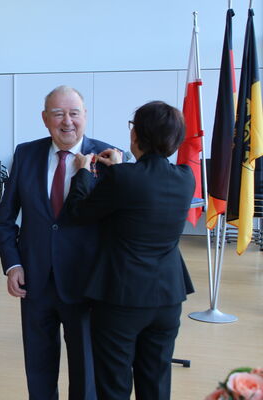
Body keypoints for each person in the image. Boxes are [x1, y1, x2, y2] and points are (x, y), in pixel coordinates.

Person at [66, 101, 195, 400]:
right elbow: (144, 187)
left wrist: (83, 172)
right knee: (156, 381)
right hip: (167, 296)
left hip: (121, 297)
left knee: (114, 384)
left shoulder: (123, 177)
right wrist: (122, 168)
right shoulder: (186, 178)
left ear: (137, 134)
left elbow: (77, 213)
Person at [0, 85, 114, 400]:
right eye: (58, 113)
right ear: (45, 118)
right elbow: (5, 218)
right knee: (38, 365)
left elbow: (120, 223)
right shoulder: (26, 153)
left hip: (85, 283)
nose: (67, 121)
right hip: (35, 280)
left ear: (85, 116)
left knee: (85, 369)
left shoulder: (108, 157)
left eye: (74, 113)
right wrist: (13, 264)